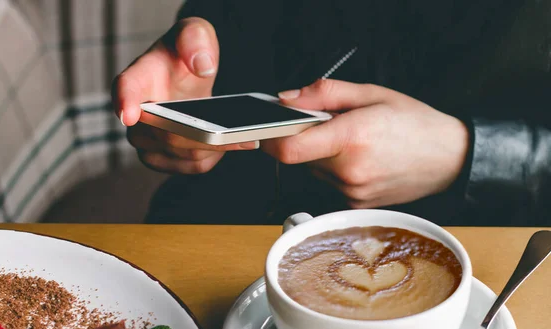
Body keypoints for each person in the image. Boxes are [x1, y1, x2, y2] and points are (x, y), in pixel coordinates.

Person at [112, 0, 551, 226]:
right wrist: (195, 57)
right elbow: (233, 18)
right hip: (222, 223)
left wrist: (464, 155)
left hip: (486, 260)